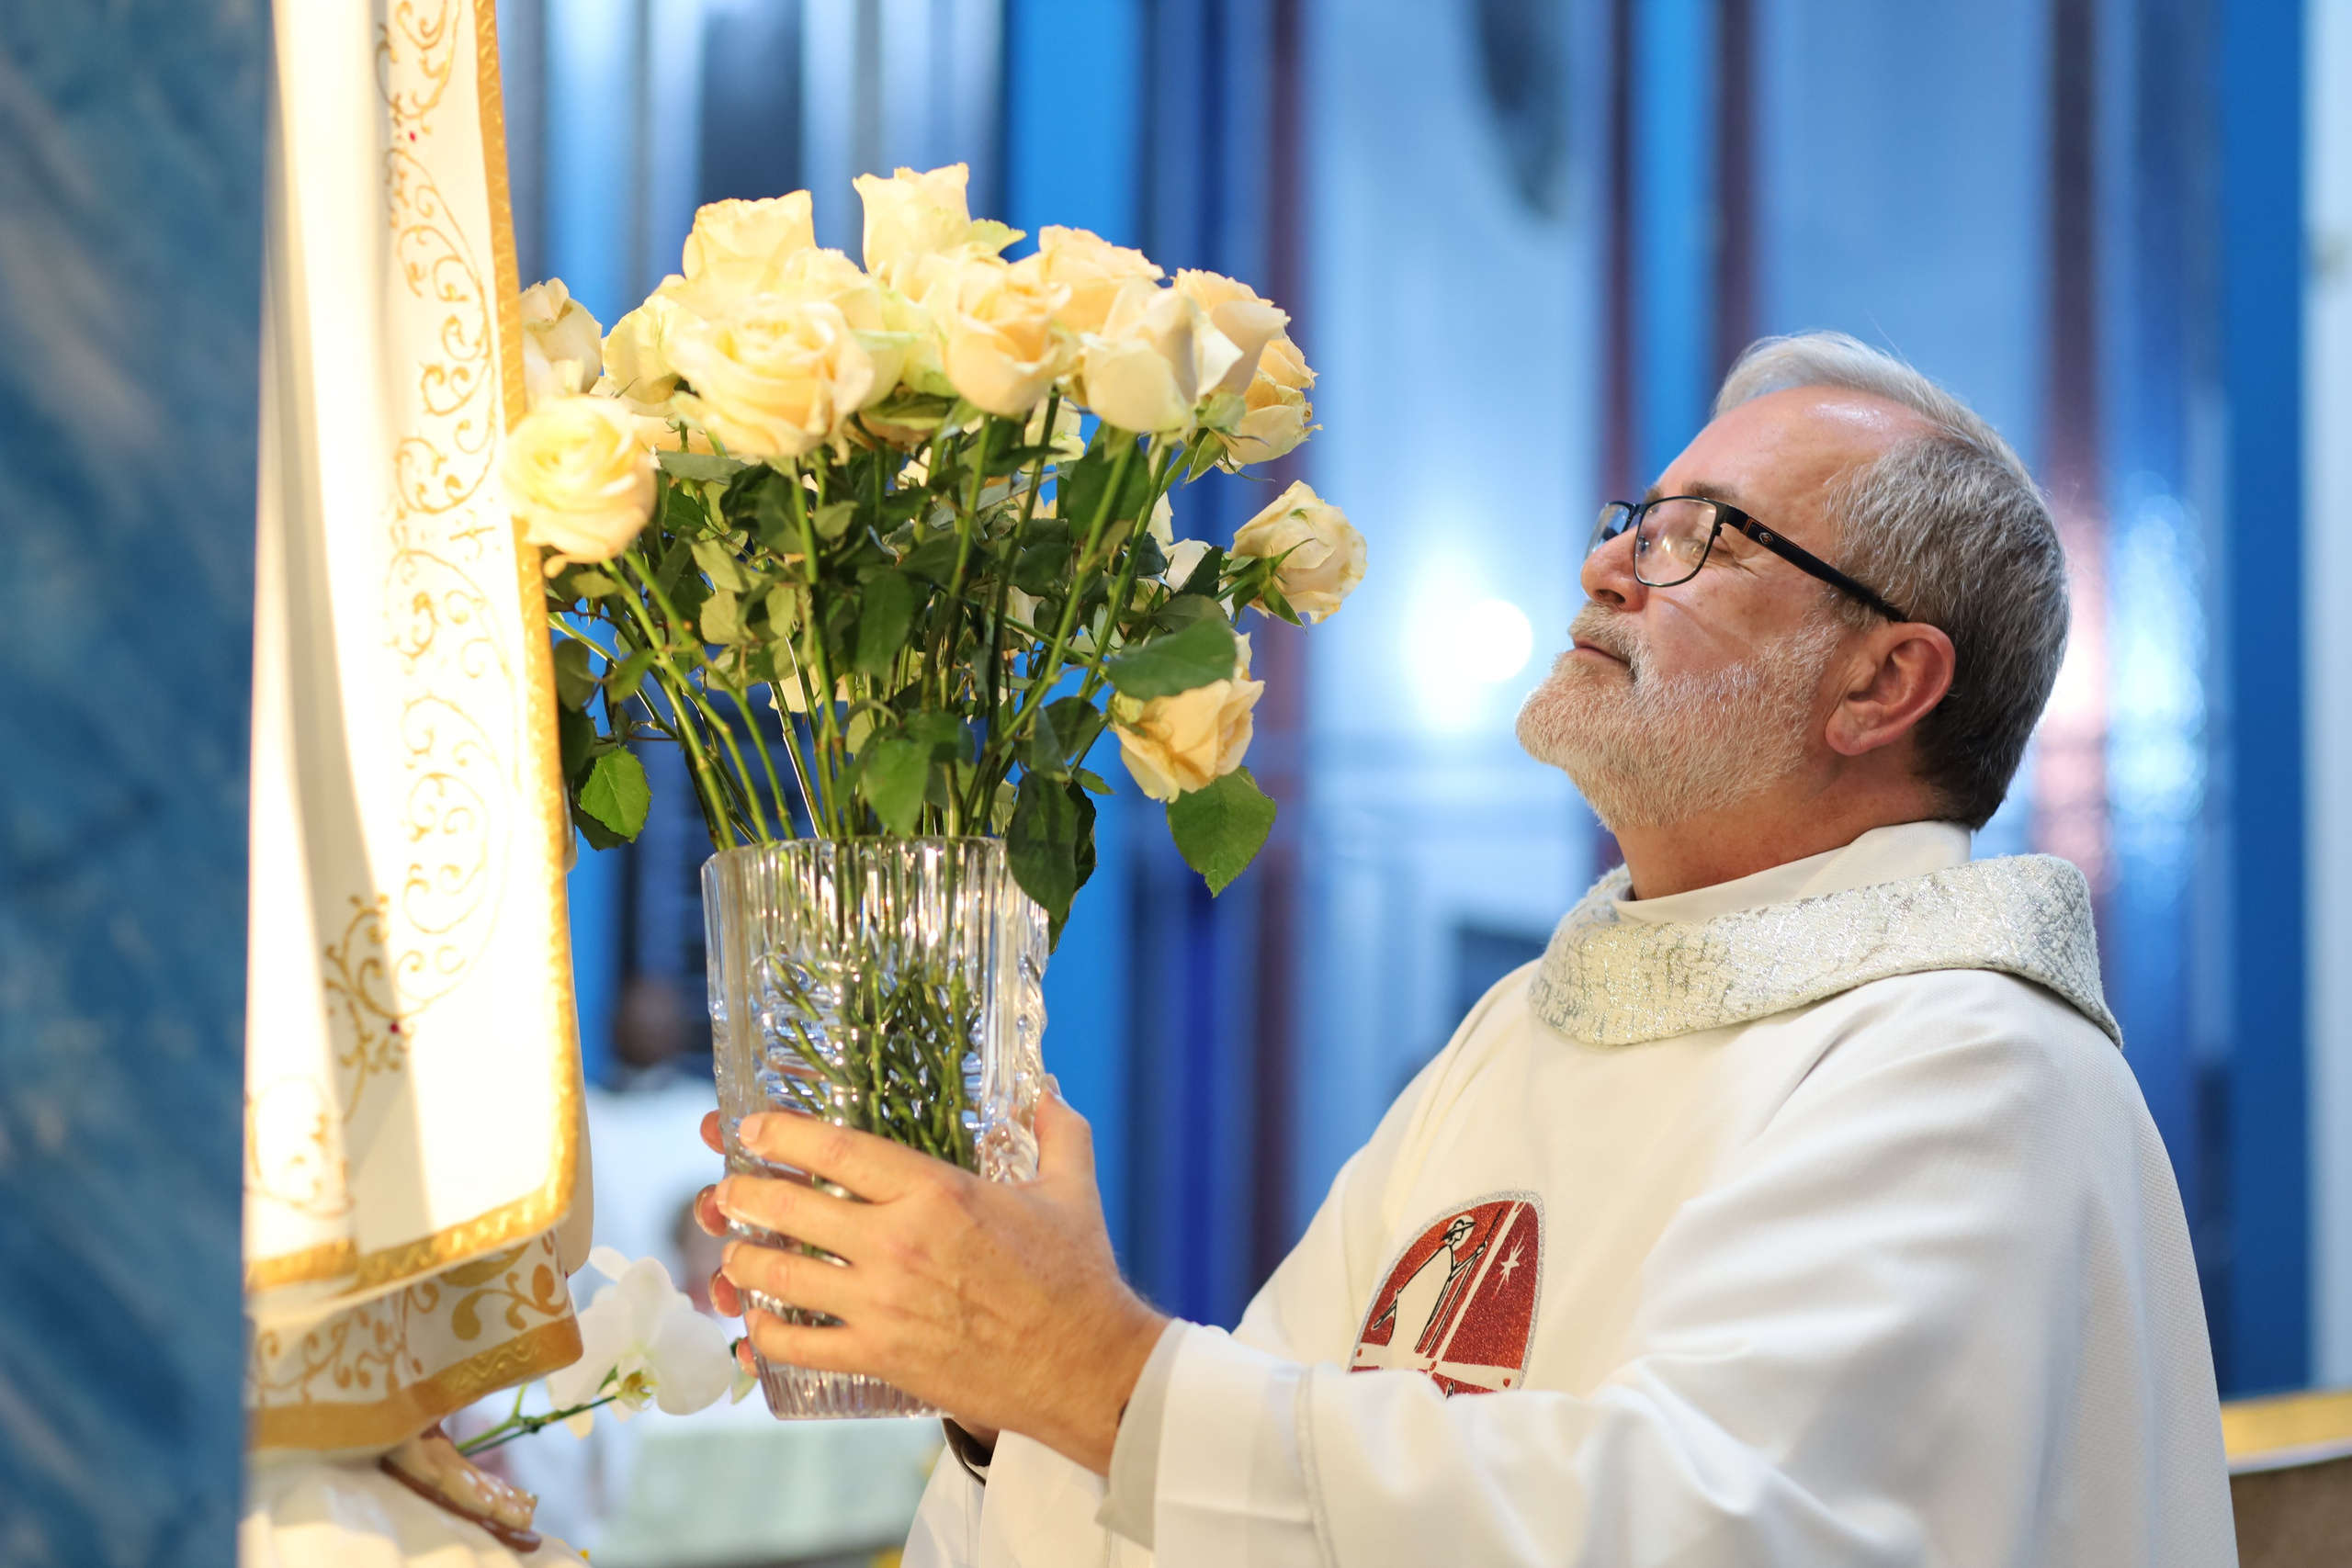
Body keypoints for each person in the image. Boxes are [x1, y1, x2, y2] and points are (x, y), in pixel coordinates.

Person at [693, 332, 2235, 1565]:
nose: (1609, 564)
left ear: (1883, 680)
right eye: (1635, 517)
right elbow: (1238, 1494)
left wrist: (1092, 1369)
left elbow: (1702, 1532)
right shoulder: (1531, 1026)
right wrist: (998, 1395)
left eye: (1706, 540)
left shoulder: (1970, 1067)